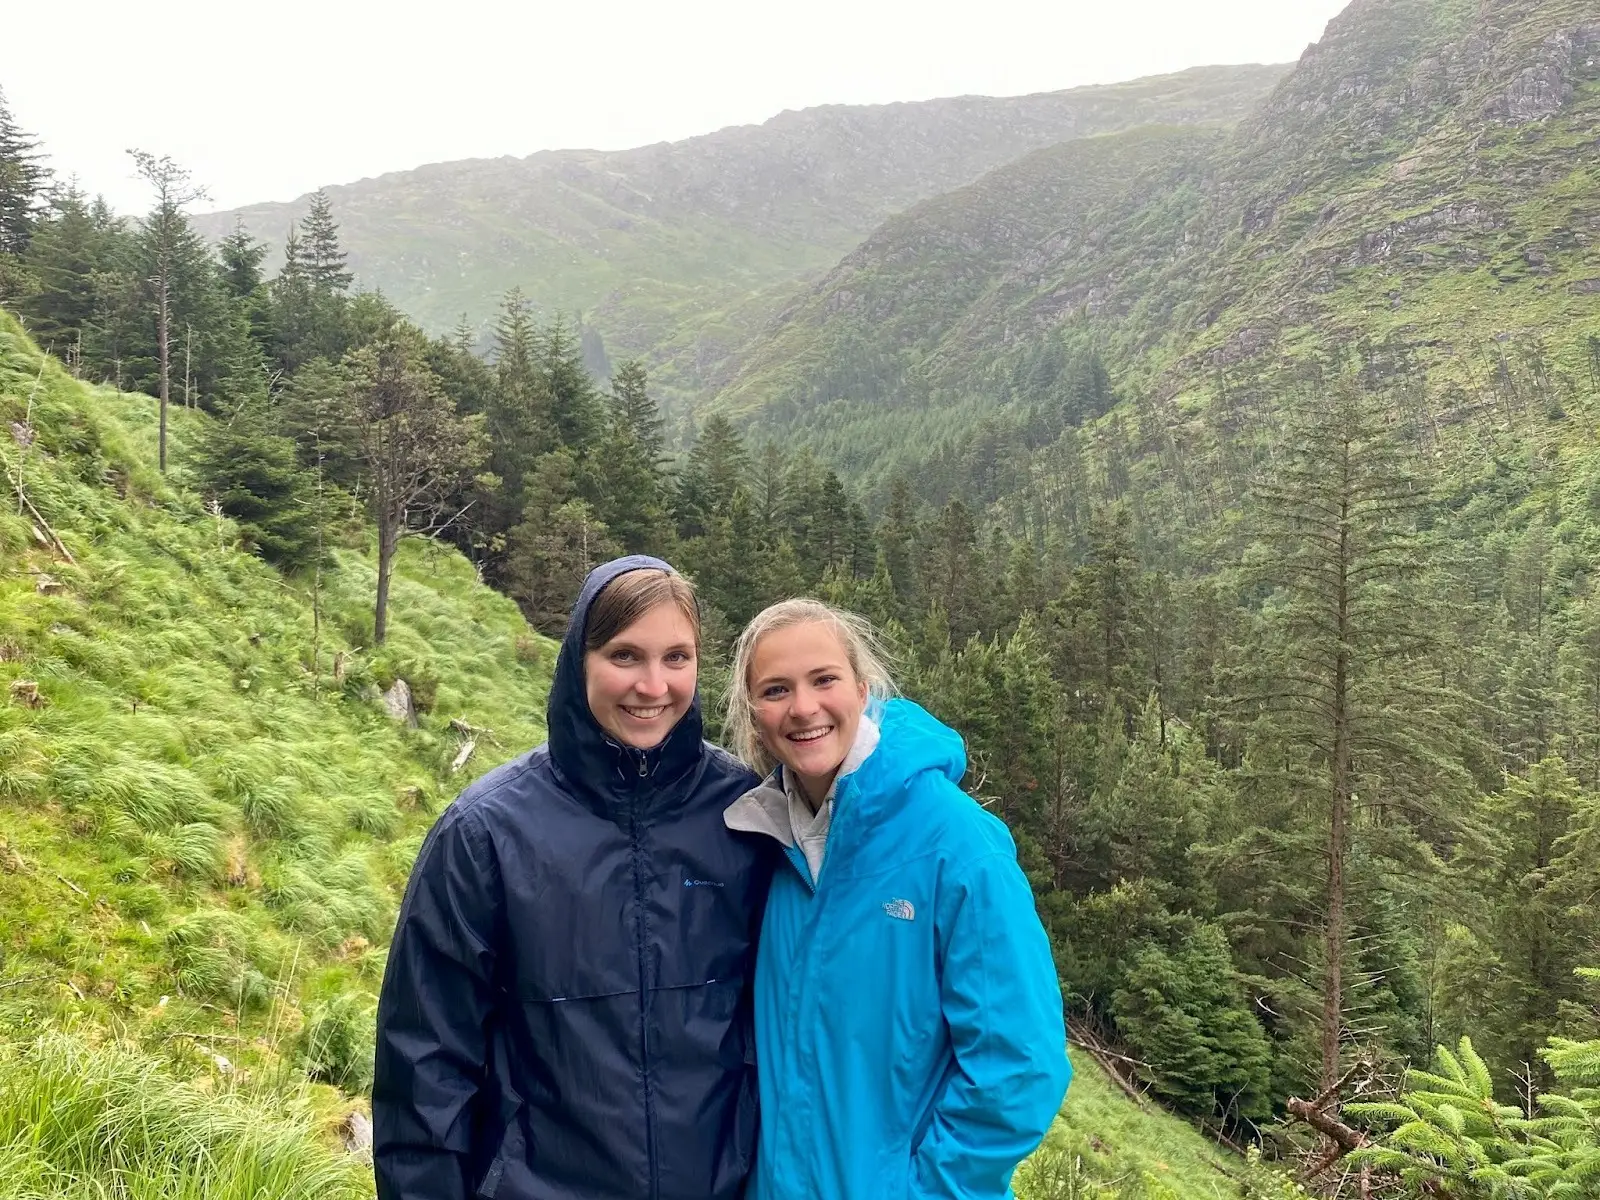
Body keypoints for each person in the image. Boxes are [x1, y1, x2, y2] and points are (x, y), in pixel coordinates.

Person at [373, 556, 771, 1200]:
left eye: (677, 657)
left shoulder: (746, 815)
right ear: (578, 659)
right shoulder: (487, 833)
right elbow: (424, 1066)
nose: (653, 685)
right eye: (624, 656)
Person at [723, 597, 1070, 1199]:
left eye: (823, 679)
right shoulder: (765, 844)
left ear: (862, 688)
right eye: (776, 690)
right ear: (755, 716)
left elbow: (1020, 1066)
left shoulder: (957, 846)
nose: (803, 707)